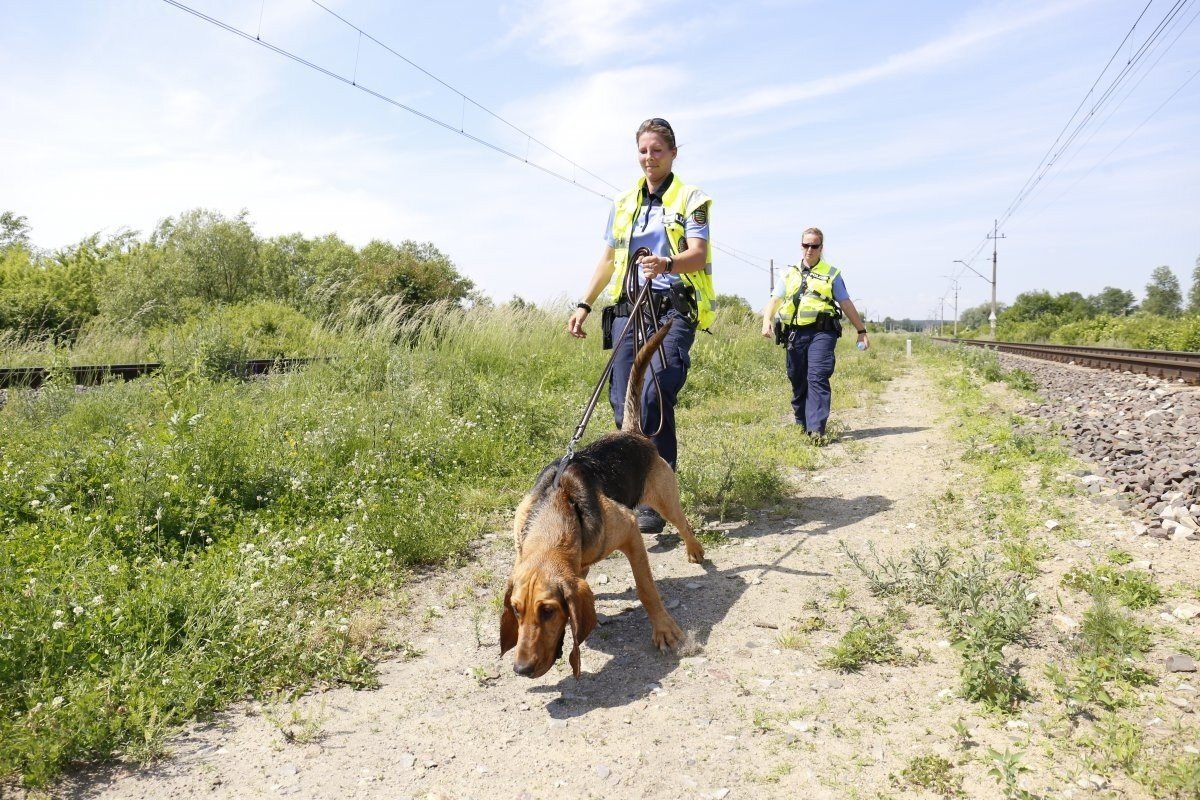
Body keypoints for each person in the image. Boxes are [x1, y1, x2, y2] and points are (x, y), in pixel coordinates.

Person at [566, 117, 716, 533]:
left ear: (673, 153)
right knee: (622, 401)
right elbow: (609, 260)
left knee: (653, 396)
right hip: (629, 309)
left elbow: (699, 254)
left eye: (657, 150)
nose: (649, 158)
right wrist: (584, 304)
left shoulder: (692, 199)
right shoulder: (622, 202)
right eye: (643, 151)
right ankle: (632, 488)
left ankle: (658, 492)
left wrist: (667, 262)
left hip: (672, 309)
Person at [760, 227, 868, 438]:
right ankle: (802, 424)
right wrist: (767, 320)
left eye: (814, 246)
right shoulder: (789, 273)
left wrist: (861, 330)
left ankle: (816, 429)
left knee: (817, 376)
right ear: (801, 246)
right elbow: (775, 299)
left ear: (821, 247)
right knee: (797, 378)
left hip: (822, 333)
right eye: (806, 245)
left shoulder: (831, 274)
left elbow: (845, 302)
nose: (809, 249)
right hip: (794, 334)